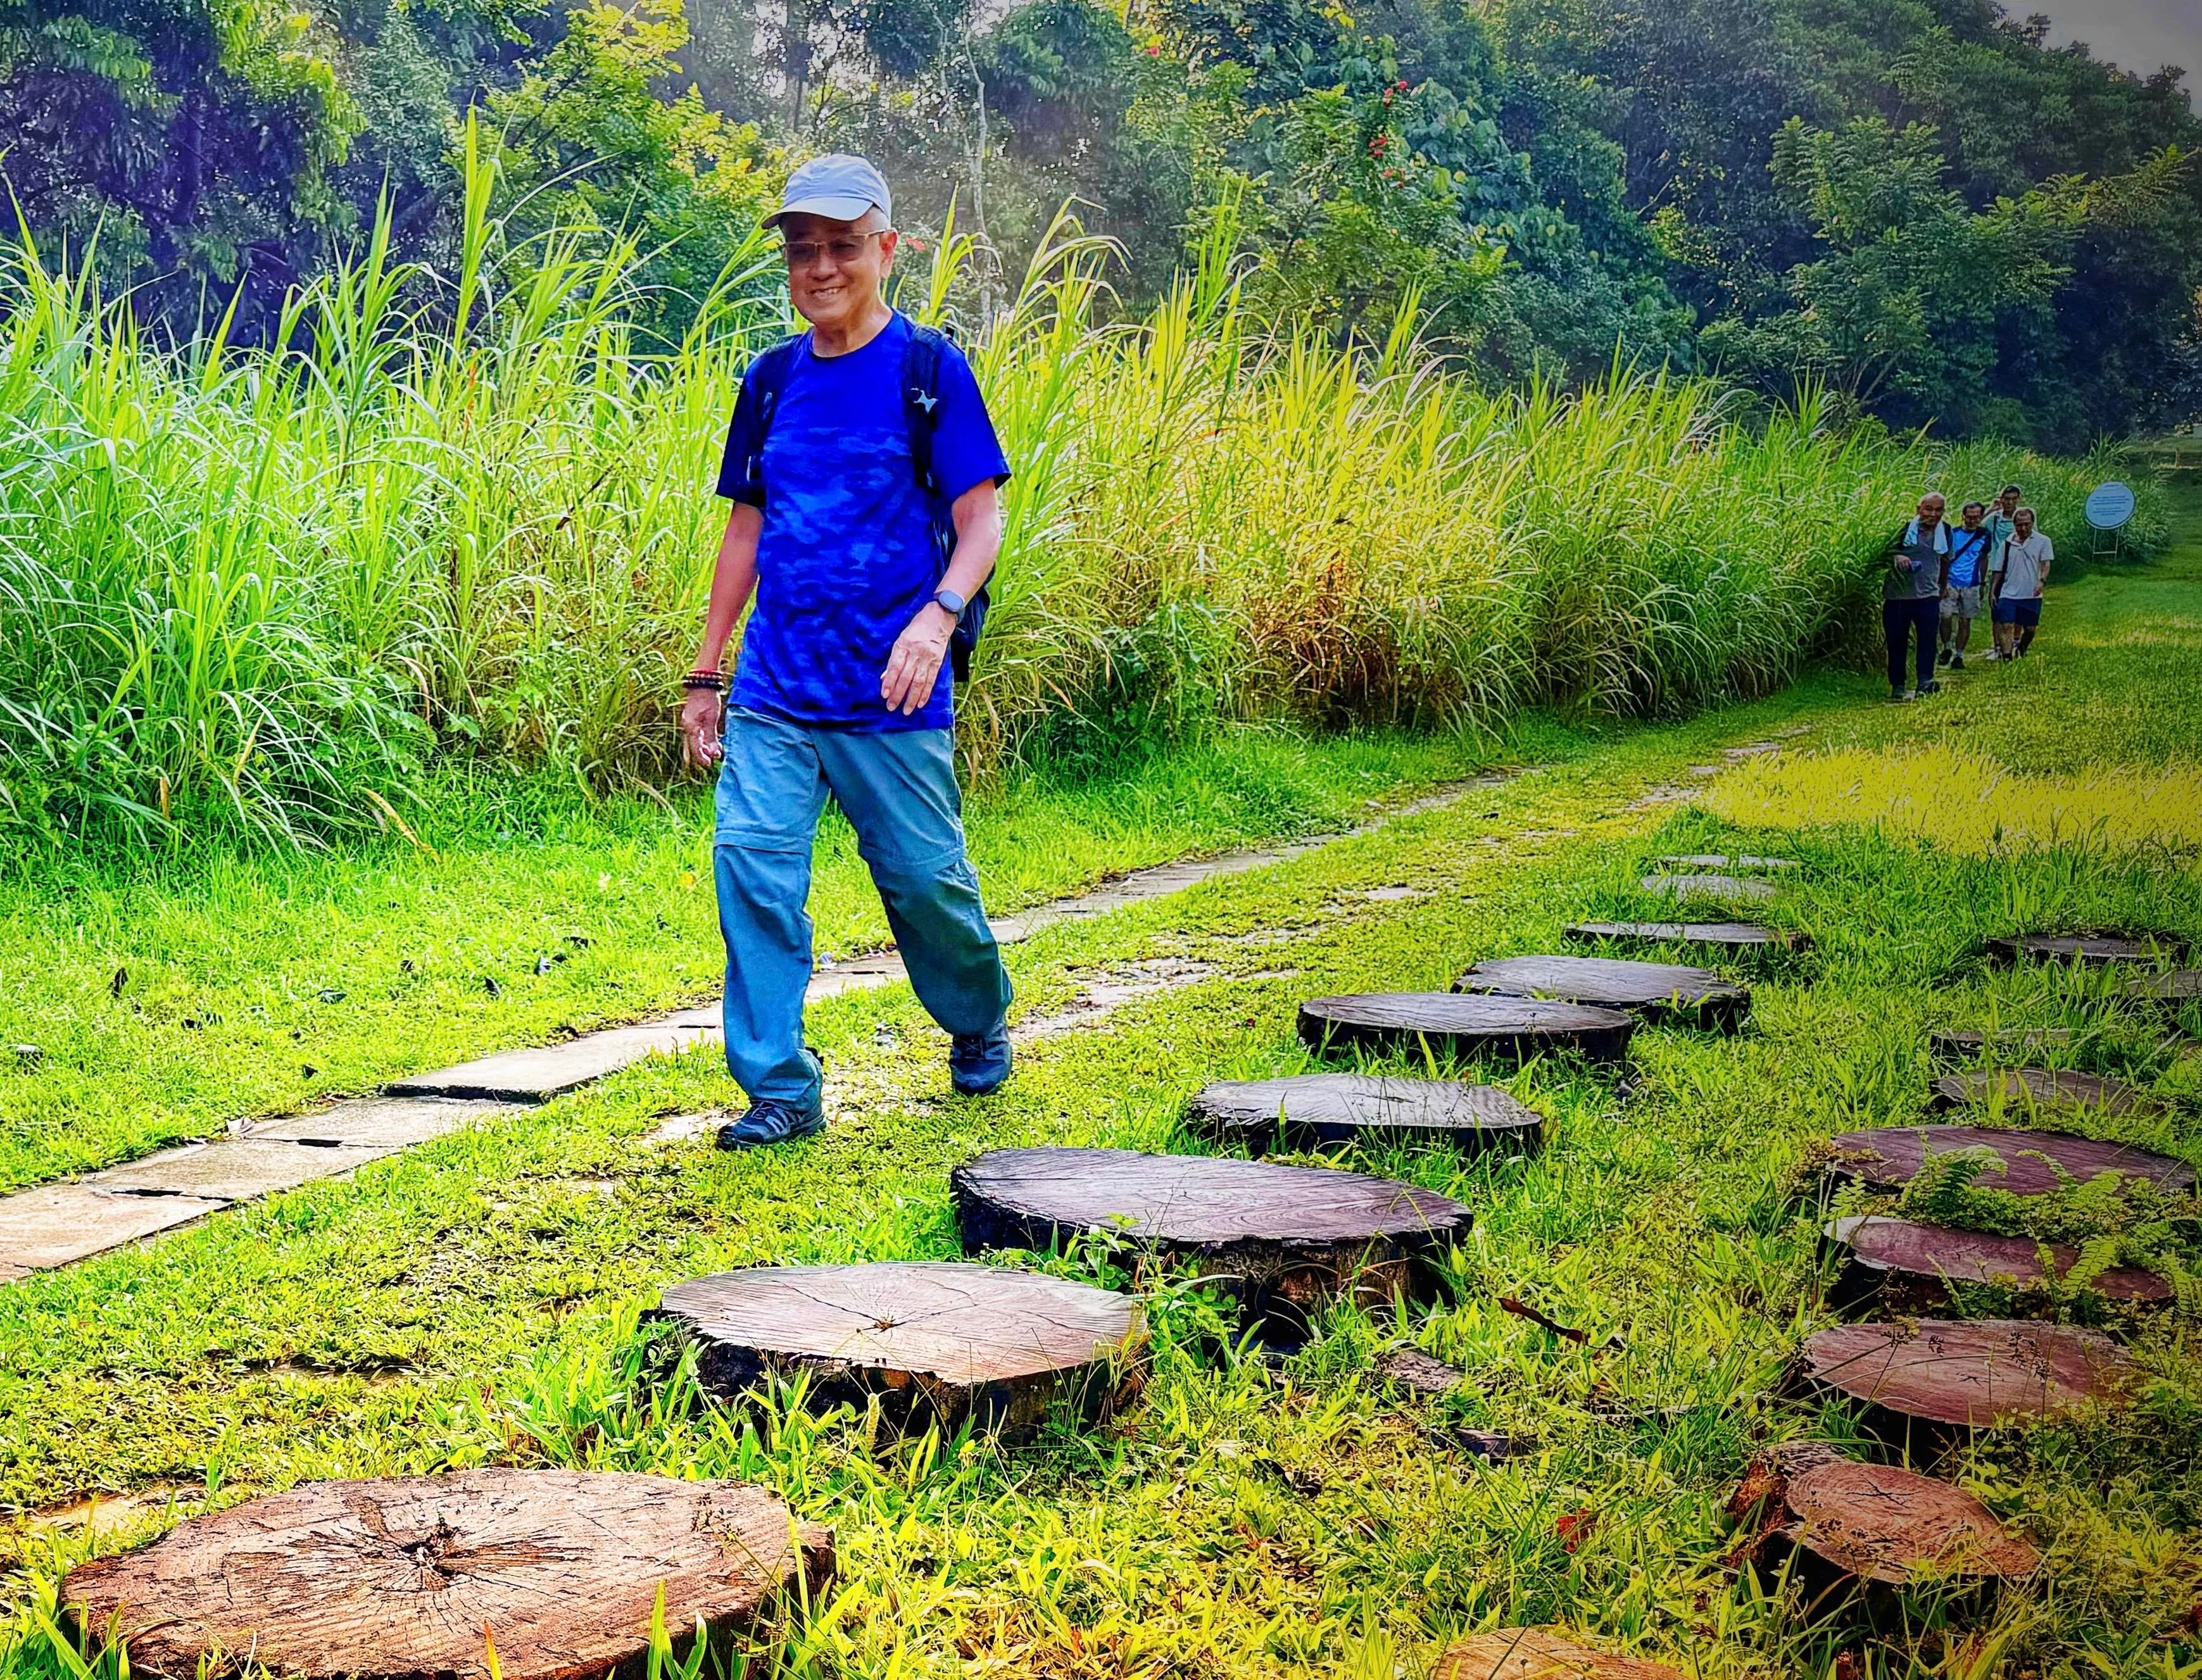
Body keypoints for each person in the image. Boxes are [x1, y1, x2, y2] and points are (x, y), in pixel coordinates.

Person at [677, 154, 1015, 1150]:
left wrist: (937, 617)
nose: (820, 268)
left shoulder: (929, 372)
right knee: (751, 867)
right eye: (801, 250)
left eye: (841, 247)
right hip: (777, 686)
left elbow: (981, 522)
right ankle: (780, 1086)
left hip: (892, 689)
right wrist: (707, 670)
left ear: (885, 250)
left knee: (924, 883)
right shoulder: (770, 382)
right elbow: (745, 531)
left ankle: (977, 1013)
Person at [1883, 492, 1948, 701]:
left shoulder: (1945, 531)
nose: (1933, 514)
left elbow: (1945, 559)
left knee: (1928, 641)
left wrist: (1942, 585)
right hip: (1898, 597)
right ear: (1918, 509)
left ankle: (1924, 682)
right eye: (1929, 509)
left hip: (1928, 595)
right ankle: (1898, 685)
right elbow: (1882, 554)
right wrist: (1897, 556)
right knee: (1896, 642)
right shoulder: (1903, 530)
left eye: (1938, 510)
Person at [1990, 505, 2052, 660]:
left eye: (2027, 524)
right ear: (2014, 525)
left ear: (2032, 523)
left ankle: (2022, 648)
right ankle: (2007, 657)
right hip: (2008, 592)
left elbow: (2045, 564)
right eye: (2019, 525)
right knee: (2006, 625)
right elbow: (1998, 570)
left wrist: (2041, 581)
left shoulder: (2043, 541)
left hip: (2031, 593)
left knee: (2030, 629)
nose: (2023, 528)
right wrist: (1993, 591)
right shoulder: (2007, 543)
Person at [1938, 501, 1994, 669]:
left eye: (1976, 517)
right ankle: (1947, 646)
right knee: (1945, 616)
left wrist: (1983, 583)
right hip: (1950, 582)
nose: (1972, 521)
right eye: (1969, 517)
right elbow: (1944, 558)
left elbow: (1984, 559)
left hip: (1972, 583)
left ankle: (1959, 655)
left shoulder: (1985, 535)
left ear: (1981, 517)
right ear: (1963, 516)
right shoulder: (1952, 534)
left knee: (1965, 620)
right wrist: (1941, 583)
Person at [1982, 484, 2022, 602]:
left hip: (2020, 565)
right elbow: (1975, 527)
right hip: (1998, 566)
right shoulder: (1994, 518)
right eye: (2007, 499)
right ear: (2001, 500)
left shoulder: (2025, 516)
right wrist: (1990, 509)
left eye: (2014, 499)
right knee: (1997, 602)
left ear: (2019, 499)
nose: (2010, 503)